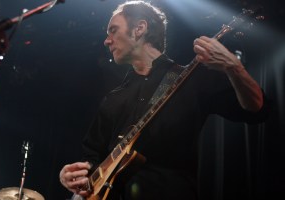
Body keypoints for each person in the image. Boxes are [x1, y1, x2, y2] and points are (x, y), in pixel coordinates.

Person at [59, 1, 269, 199]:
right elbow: (91, 158)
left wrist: (234, 67)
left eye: (113, 30)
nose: (107, 40)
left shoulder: (190, 78)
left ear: (139, 29)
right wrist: (72, 177)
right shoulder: (113, 98)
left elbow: (257, 109)